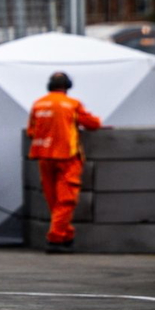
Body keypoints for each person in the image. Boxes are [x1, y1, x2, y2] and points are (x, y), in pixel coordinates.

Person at [26, 71, 102, 253]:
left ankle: (66, 235)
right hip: (67, 157)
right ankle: (56, 239)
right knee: (66, 201)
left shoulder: (38, 103)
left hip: (44, 157)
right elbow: (93, 124)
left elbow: (31, 132)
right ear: (67, 86)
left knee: (54, 201)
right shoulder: (72, 104)